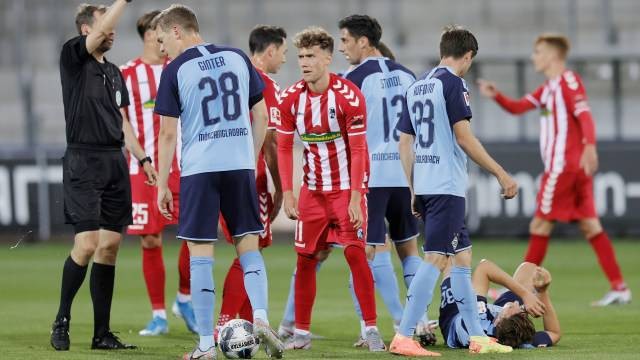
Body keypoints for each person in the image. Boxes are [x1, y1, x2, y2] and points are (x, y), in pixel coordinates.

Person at [389, 25, 546, 356]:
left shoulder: (417, 86)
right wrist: (501, 173)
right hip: (446, 185)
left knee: (462, 259)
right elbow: (464, 137)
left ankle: (478, 336)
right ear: (469, 56)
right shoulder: (453, 85)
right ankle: (404, 335)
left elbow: (405, 142)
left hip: (428, 184)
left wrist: (413, 187)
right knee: (435, 259)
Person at [153, 5, 284, 359]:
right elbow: (261, 113)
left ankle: (206, 347)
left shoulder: (175, 69)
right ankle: (260, 317)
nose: (162, 48)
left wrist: (162, 183)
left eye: (163, 38)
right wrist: (250, 154)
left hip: (200, 169)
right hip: (239, 166)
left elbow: (167, 134)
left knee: (200, 255)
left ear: (178, 31)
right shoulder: (237, 57)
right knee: (248, 246)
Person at [477, 33, 631, 307]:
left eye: (537, 52)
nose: (533, 57)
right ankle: (619, 287)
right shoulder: (548, 89)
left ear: (551, 55)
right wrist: (496, 96)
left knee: (540, 224)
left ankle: (516, 290)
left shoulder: (568, 81)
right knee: (590, 226)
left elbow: (584, 114)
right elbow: (518, 107)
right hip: (573, 170)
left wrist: (589, 146)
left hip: (563, 168)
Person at [276, 26, 384, 352]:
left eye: (311, 56)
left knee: (356, 254)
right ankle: (302, 334)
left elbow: (360, 150)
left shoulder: (348, 97)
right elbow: (283, 148)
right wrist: (289, 193)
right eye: (300, 56)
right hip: (312, 191)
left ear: (327, 57)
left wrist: (355, 196)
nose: (305, 62)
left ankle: (370, 329)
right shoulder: (290, 99)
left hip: (344, 191)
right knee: (305, 260)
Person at [51, 0, 146, 351]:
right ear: (86, 30)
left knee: (109, 248)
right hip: (84, 159)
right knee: (87, 243)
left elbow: (122, 121)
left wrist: (143, 158)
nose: (113, 30)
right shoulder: (72, 58)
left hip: (114, 161)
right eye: (104, 24)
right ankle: (62, 319)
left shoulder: (114, 71)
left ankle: (101, 334)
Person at [338, 14, 435, 348]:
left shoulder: (352, 79)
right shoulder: (408, 75)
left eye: (346, 40)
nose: (343, 48)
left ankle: (398, 323)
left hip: (371, 175)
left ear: (364, 42)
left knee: (372, 249)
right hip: (406, 173)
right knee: (409, 246)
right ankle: (420, 320)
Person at [119, 10, 196, 336]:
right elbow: (121, 122)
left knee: (192, 234)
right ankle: (159, 314)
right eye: (159, 32)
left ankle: (184, 297)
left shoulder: (178, 69)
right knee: (150, 240)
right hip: (142, 170)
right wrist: (143, 159)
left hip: (183, 166)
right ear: (150, 34)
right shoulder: (126, 73)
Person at [215, 24, 286, 334]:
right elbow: (270, 142)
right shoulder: (265, 85)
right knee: (249, 249)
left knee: (247, 248)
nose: (284, 60)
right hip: (250, 176)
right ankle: (226, 321)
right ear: (269, 51)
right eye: (283, 53)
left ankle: (240, 326)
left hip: (220, 171)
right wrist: (280, 188)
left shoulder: (231, 77)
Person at [439, 259, 561, 349]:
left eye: (512, 307)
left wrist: (525, 295)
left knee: (451, 261)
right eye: (522, 312)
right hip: (497, 321)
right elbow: (555, 333)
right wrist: (542, 292)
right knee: (529, 269)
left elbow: (484, 267)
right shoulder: (522, 339)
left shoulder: (479, 317)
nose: (516, 303)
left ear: (497, 321)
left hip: (454, 318)